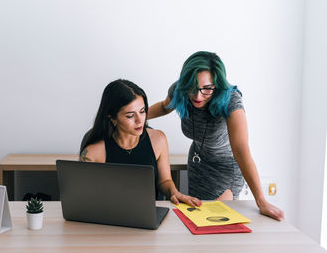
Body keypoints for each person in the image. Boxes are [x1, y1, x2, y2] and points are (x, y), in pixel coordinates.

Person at [147, 51, 285, 221]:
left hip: (226, 169)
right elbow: (163, 106)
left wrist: (261, 201)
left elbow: (241, 150)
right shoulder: (180, 90)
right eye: (192, 88)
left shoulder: (231, 100)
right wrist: (137, 117)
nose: (198, 96)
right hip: (198, 164)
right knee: (194, 219)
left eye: (207, 89)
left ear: (217, 85)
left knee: (213, 221)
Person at [80, 79, 202, 207]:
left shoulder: (158, 140)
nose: (140, 121)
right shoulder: (94, 152)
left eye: (142, 111)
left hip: (147, 213)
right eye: (130, 115)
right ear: (112, 118)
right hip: (109, 214)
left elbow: (165, 180)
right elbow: (87, 196)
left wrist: (174, 192)